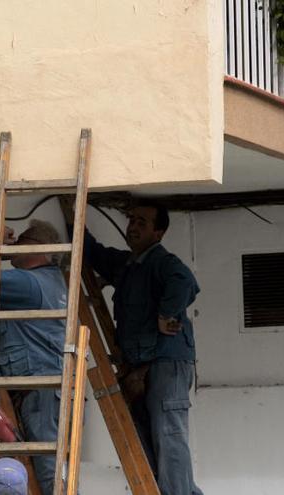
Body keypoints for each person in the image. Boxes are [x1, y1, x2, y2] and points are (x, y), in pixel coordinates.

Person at [83, 199, 203, 495]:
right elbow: (95, 253)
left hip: (166, 364)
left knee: (168, 435)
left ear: (158, 233)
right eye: (132, 220)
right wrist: (75, 219)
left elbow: (185, 281)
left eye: (142, 223)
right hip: (139, 366)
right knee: (145, 437)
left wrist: (167, 315)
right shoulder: (128, 265)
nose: (133, 226)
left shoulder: (163, 263)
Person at [0, 219, 68, 494]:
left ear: (39, 249)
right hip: (41, 388)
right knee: (47, 472)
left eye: (21, 241)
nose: (14, 246)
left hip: (39, 389)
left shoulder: (30, 283)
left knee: (47, 475)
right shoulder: (48, 281)